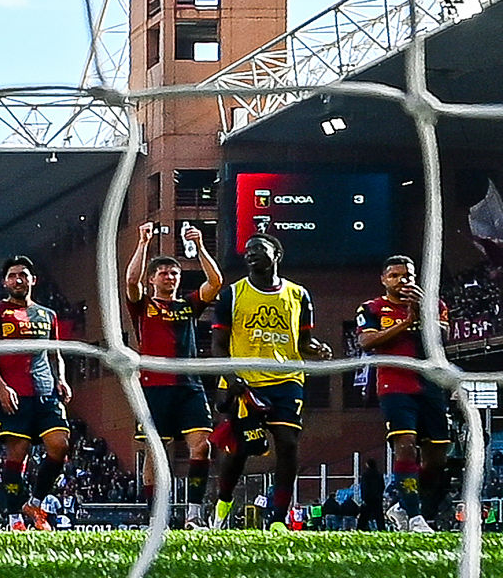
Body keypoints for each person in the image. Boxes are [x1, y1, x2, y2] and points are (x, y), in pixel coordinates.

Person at [208, 234, 332, 528]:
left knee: (287, 444)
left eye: (258, 249)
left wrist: (318, 349)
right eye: (247, 251)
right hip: (244, 381)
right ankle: (223, 504)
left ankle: (278, 517)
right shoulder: (232, 294)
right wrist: (229, 376)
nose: (250, 254)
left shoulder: (299, 294)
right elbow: (218, 344)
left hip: (286, 379)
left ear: (276, 254)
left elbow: (303, 342)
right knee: (240, 451)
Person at [124, 221, 223, 526]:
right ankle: (156, 516)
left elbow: (216, 281)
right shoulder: (143, 305)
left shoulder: (187, 305)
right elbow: (130, 280)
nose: (170, 276)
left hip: (189, 384)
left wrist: (201, 246)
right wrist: (143, 243)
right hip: (154, 385)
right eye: (164, 272)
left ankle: (194, 513)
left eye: (175, 273)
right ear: (153, 279)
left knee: (202, 445)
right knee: (156, 453)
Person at [0, 255, 71, 531]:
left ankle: (36, 502)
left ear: (33, 280)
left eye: (23, 275)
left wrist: (61, 379)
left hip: (45, 393)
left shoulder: (47, 315)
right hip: (13, 394)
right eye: (13, 275)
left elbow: (55, 353)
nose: (19, 280)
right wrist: (1, 387)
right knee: (18, 453)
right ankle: (14, 518)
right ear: (5, 281)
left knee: (60, 445)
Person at [358, 253, 453, 531]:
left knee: (437, 459)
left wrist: (422, 312)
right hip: (395, 384)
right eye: (395, 276)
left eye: (407, 276)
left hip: (430, 384)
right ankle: (414, 517)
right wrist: (404, 322)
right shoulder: (372, 308)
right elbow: (366, 341)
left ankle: (402, 505)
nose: (402, 281)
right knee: (406, 446)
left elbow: (443, 338)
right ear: (384, 280)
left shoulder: (434, 304)